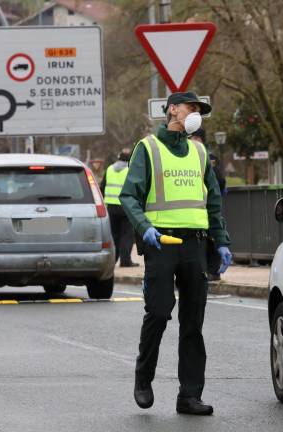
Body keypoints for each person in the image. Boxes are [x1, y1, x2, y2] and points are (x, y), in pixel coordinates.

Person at [120, 91, 232, 416]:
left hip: (195, 245)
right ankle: (143, 378)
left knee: (193, 322)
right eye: (191, 108)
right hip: (161, 243)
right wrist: (144, 228)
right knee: (158, 311)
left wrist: (221, 240)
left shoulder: (199, 152)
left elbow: (212, 200)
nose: (196, 113)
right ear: (172, 110)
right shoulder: (148, 148)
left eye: (199, 110)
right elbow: (129, 196)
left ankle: (190, 396)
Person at [189, 128, 226, 281]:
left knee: (212, 237)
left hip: (205, 204)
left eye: (191, 138)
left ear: (198, 139)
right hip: (200, 206)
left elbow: (219, 181)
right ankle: (207, 271)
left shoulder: (207, 158)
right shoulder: (206, 156)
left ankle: (212, 271)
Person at [100, 148, 138, 267]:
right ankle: (125, 261)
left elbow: (102, 187)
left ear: (118, 157)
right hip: (126, 207)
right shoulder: (131, 169)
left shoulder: (110, 169)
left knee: (114, 234)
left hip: (111, 207)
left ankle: (113, 260)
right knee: (127, 235)